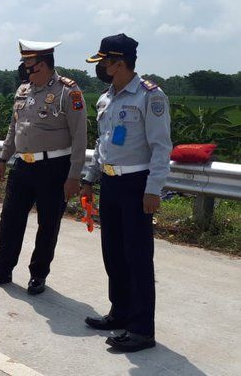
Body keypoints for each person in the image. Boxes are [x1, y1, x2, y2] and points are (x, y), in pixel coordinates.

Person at [81, 34, 172, 352]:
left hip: (136, 186)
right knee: (114, 254)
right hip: (110, 184)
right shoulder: (106, 99)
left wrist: (153, 189)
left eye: (103, 62)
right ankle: (119, 313)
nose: (101, 68)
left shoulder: (150, 96)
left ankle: (142, 328)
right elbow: (102, 145)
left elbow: (161, 148)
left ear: (119, 63)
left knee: (138, 259)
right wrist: (89, 179)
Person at [0, 39, 87, 295]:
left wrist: (74, 175)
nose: (25, 70)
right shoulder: (23, 91)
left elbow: (80, 137)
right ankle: (2, 269)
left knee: (48, 225)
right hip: (23, 167)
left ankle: (38, 275)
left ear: (44, 64)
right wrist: (3, 158)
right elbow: (14, 127)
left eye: (29, 65)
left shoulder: (68, 92)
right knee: (9, 221)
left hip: (54, 168)